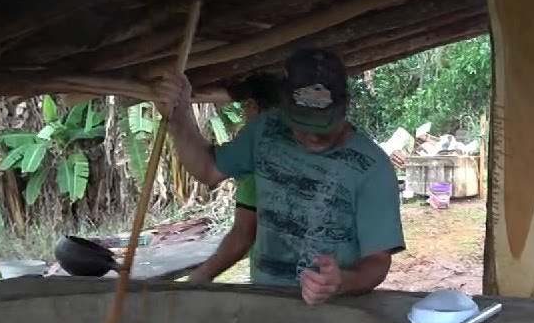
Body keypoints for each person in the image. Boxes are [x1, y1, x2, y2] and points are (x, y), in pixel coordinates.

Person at [155, 48, 405, 305]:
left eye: (324, 125)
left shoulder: (372, 167)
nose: (314, 136)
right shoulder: (265, 131)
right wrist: (179, 118)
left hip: (336, 311)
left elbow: (378, 262)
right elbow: (207, 169)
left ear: (346, 105)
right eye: (303, 124)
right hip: (267, 303)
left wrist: (341, 282)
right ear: (284, 106)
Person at [186, 73, 283, 285]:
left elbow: (243, 235)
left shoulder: (259, 160)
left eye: (244, 109)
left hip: (278, 284)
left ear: (253, 107)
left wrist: (202, 275)